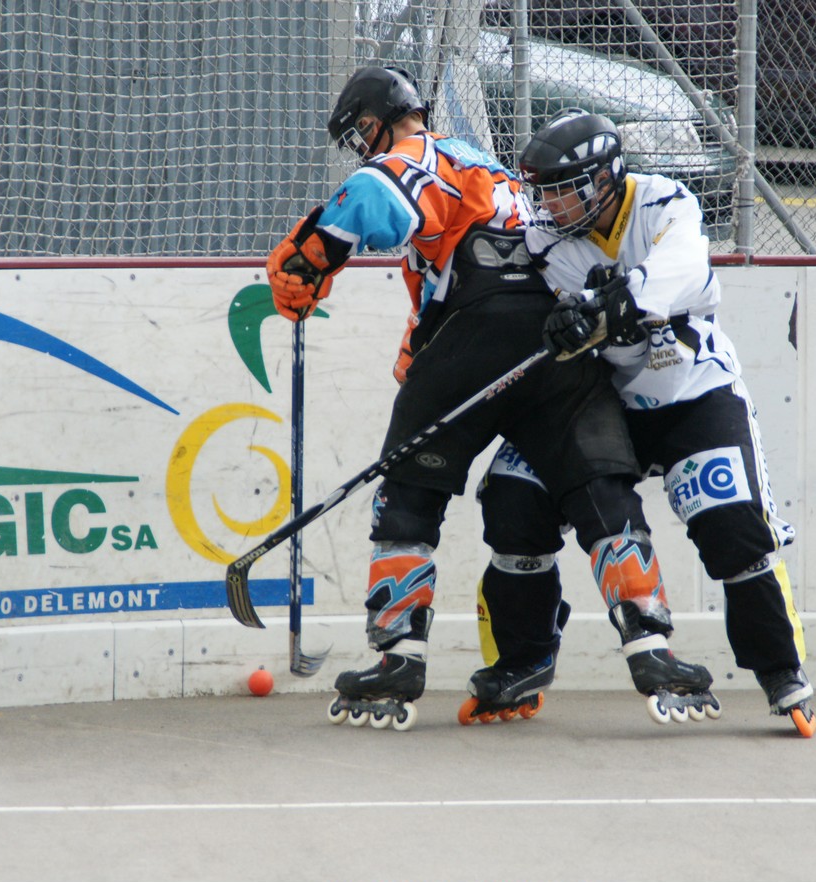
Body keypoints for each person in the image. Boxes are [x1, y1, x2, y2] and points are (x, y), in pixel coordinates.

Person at [265, 67, 713, 731]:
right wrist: (420, 352)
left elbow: (377, 197)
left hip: (479, 333)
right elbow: (457, 272)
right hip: (559, 335)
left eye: (361, 133)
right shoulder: (491, 169)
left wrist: (308, 257)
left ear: (383, 120)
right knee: (598, 487)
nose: (362, 148)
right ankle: (652, 649)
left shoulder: (420, 152)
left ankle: (398, 658)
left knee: (408, 493)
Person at [467, 108, 816, 736]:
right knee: (514, 499)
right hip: (600, 404)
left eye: (561, 190)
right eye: (541, 192)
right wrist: (569, 323)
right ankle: (521, 660)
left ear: (604, 179)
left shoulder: (665, 201)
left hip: (694, 395)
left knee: (735, 528)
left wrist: (615, 300)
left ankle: (781, 671)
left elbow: (688, 271)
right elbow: (577, 315)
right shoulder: (546, 238)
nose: (547, 205)